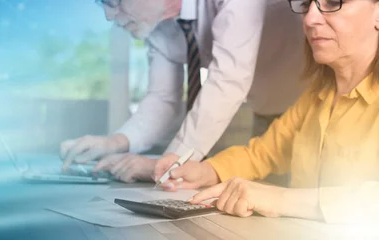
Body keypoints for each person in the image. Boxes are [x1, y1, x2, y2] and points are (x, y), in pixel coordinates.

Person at [154, 0, 379, 223]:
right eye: (305, 5)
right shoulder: (317, 95)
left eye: (332, 2)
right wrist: (206, 170)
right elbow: (262, 154)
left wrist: (279, 198)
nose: (309, 19)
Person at [60, 0, 306, 183]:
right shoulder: (158, 25)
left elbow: (229, 79)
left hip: (315, 106)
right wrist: (116, 142)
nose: (107, 15)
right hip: (266, 114)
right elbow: (163, 98)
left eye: (113, 1)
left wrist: (167, 164)